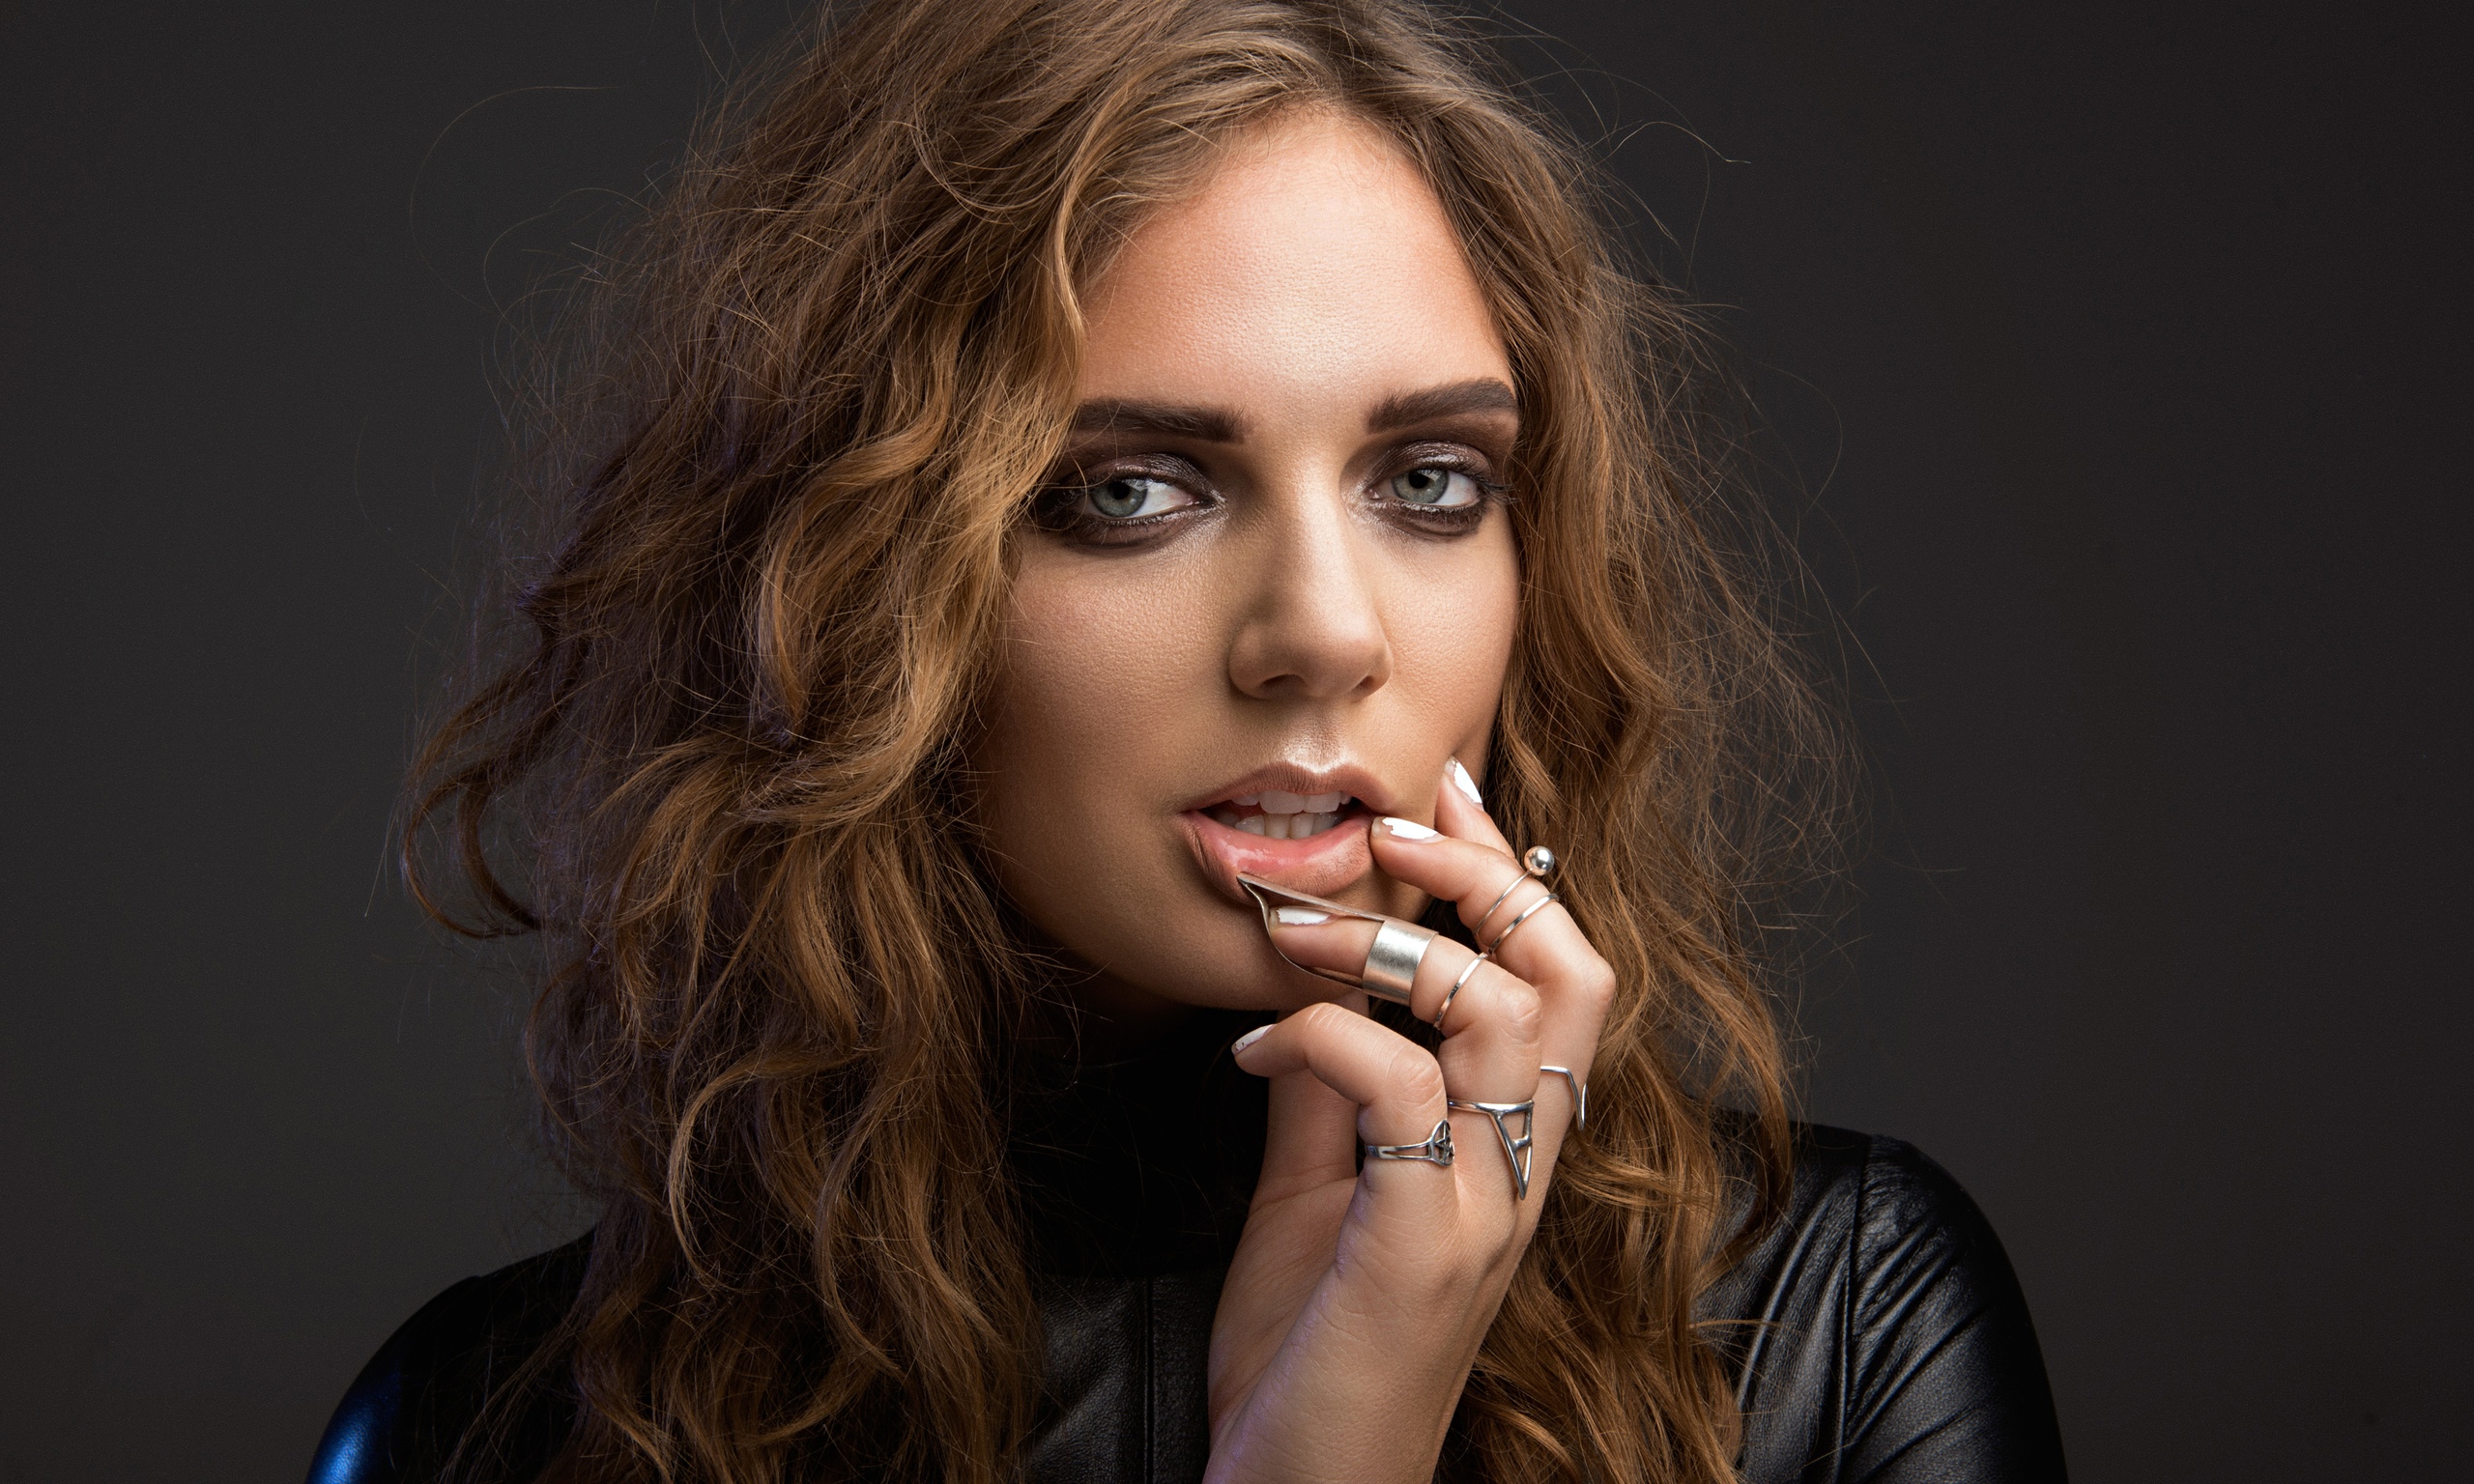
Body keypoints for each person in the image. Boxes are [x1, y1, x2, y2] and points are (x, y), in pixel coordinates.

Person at [307, 1, 2065, 1480]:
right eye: (1130, 492)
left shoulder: (1839, 1325)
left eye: (1429, 481)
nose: (1328, 631)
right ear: (853, 586)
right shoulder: (488, 1430)